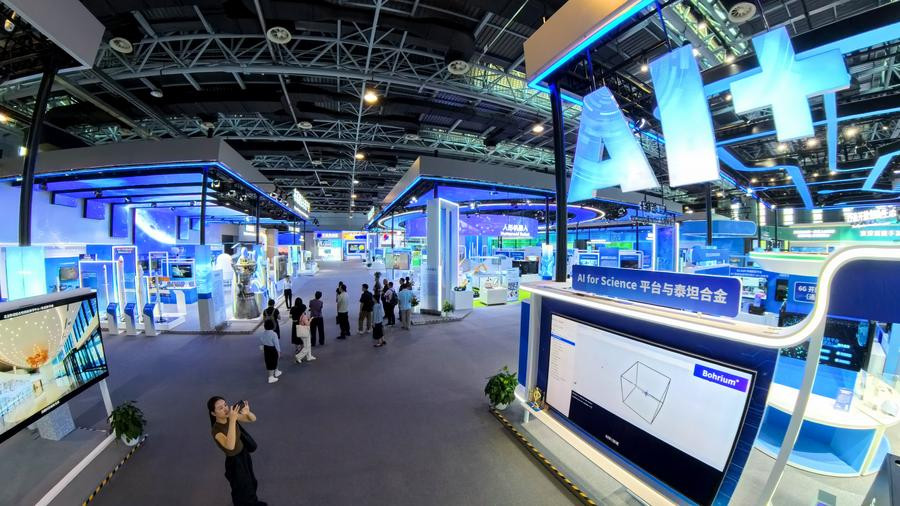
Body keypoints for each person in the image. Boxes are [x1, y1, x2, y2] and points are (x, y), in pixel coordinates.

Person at [207, 397, 264, 506]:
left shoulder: (230, 416)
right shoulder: (216, 430)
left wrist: (248, 413)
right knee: (242, 489)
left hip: (244, 455)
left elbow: (252, 419)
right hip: (234, 462)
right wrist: (233, 420)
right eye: (220, 408)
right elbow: (230, 445)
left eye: (225, 405)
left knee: (251, 481)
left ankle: (253, 502)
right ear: (213, 413)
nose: (225, 409)